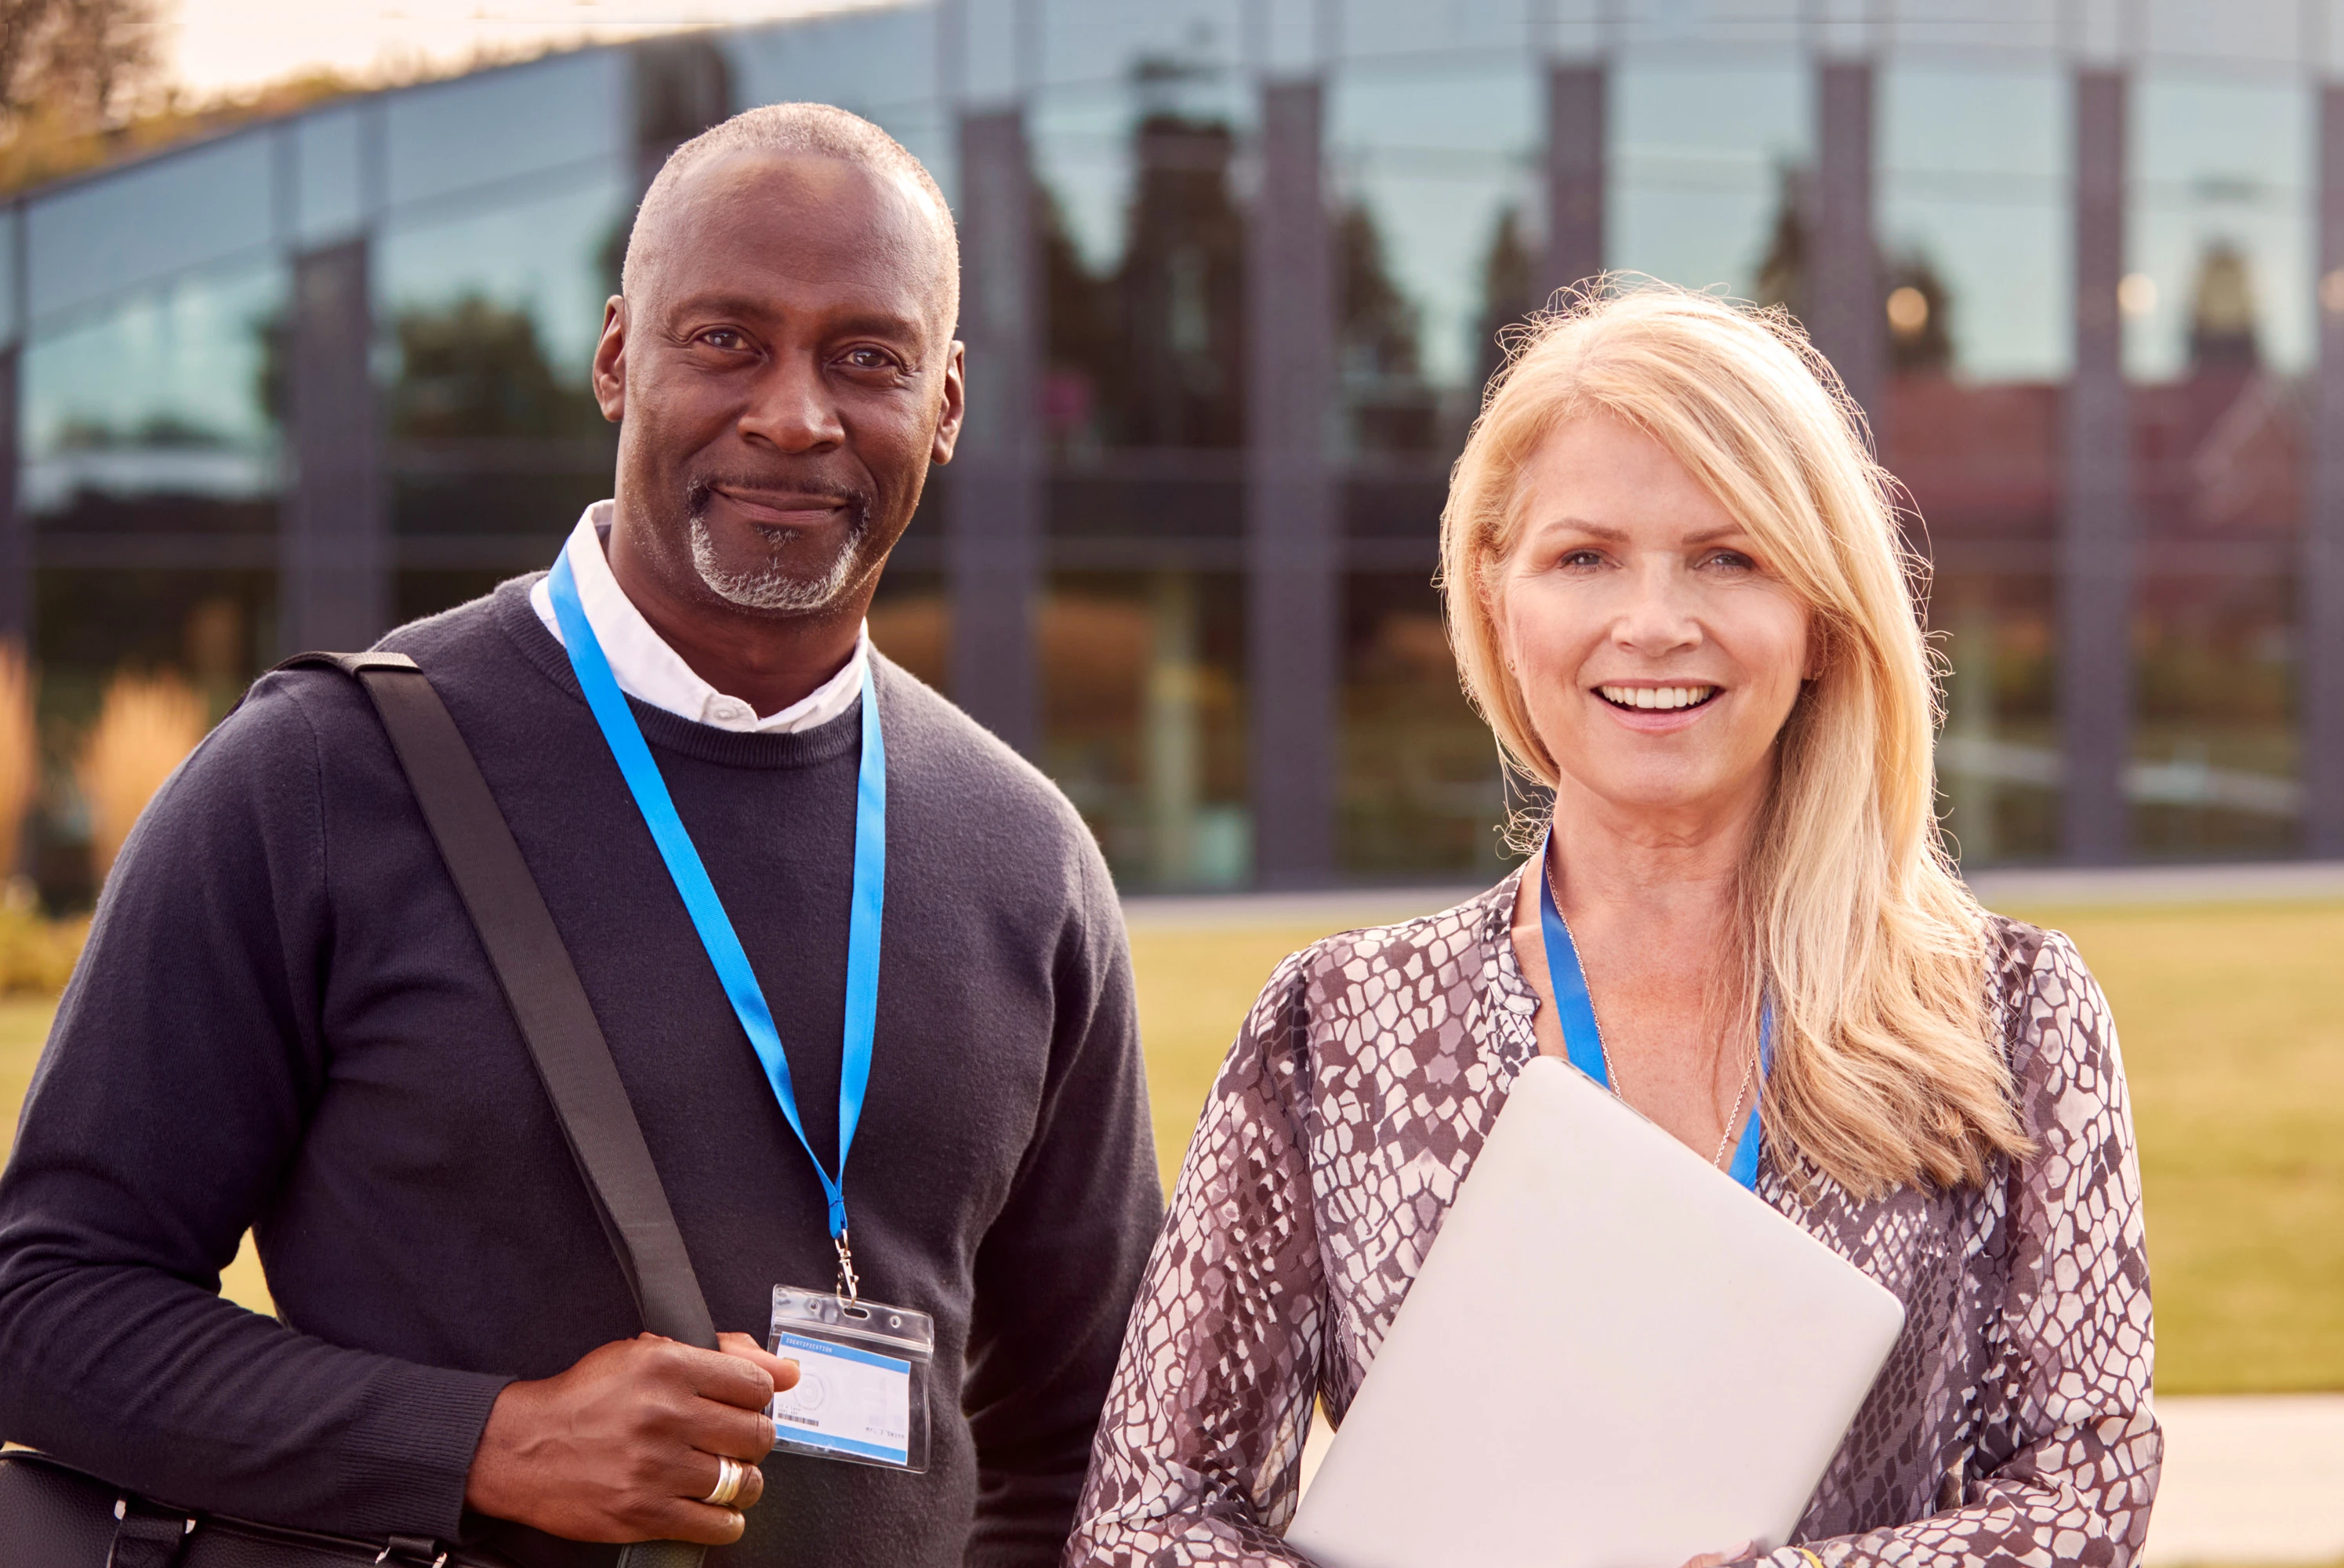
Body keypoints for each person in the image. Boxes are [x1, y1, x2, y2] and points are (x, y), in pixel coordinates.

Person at [0, 104, 1162, 1567]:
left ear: (945, 400)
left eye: (866, 356)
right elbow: (45, 1306)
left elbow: (1096, 1437)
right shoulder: (318, 777)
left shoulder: (1028, 858)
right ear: (619, 357)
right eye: (727, 339)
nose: (795, 414)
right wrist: (482, 1441)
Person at [1064, 285, 2160, 1566]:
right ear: (1498, 599)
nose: (1653, 622)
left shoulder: (2014, 1015)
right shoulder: (1338, 1028)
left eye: (1728, 556)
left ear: (1818, 620)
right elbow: (1149, 1520)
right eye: (1585, 558)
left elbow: (2085, 1492)